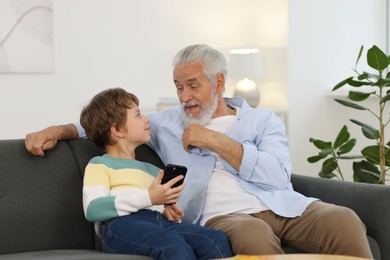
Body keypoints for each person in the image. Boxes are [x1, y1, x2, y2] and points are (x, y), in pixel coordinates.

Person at [25, 44, 373, 258]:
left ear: (219, 82)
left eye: (193, 84)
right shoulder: (166, 123)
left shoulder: (263, 120)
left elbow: (278, 176)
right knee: (253, 235)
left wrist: (214, 139)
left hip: (283, 205)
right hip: (225, 218)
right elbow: (107, 124)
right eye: (178, 86)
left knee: (342, 219)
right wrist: (59, 130)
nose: (184, 95)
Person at [78, 87, 232, 259]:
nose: (146, 119)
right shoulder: (100, 164)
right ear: (117, 130)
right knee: (173, 245)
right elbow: (93, 209)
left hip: (161, 223)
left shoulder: (153, 170)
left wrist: (172, 214)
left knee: (214, 239)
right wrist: (149, 198)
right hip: (122, 225)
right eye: (138, 115)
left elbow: (156, 204)